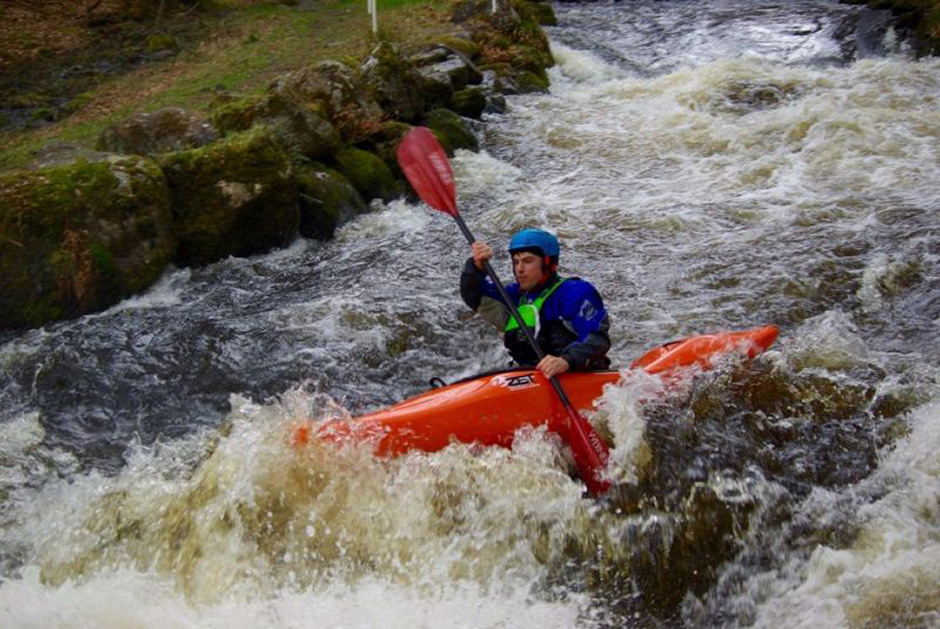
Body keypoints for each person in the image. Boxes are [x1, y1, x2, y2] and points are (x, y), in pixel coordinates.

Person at [459, 227, 612, 378]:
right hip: (532, 378)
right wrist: (476, 267)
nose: (519, 269)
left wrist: (565, 360)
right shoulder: (515, 295)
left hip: (575, 377)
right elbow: (474, 295)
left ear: (548, 264)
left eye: (527, 261)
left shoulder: (574, 291)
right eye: (516, 261)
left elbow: (597, 338)